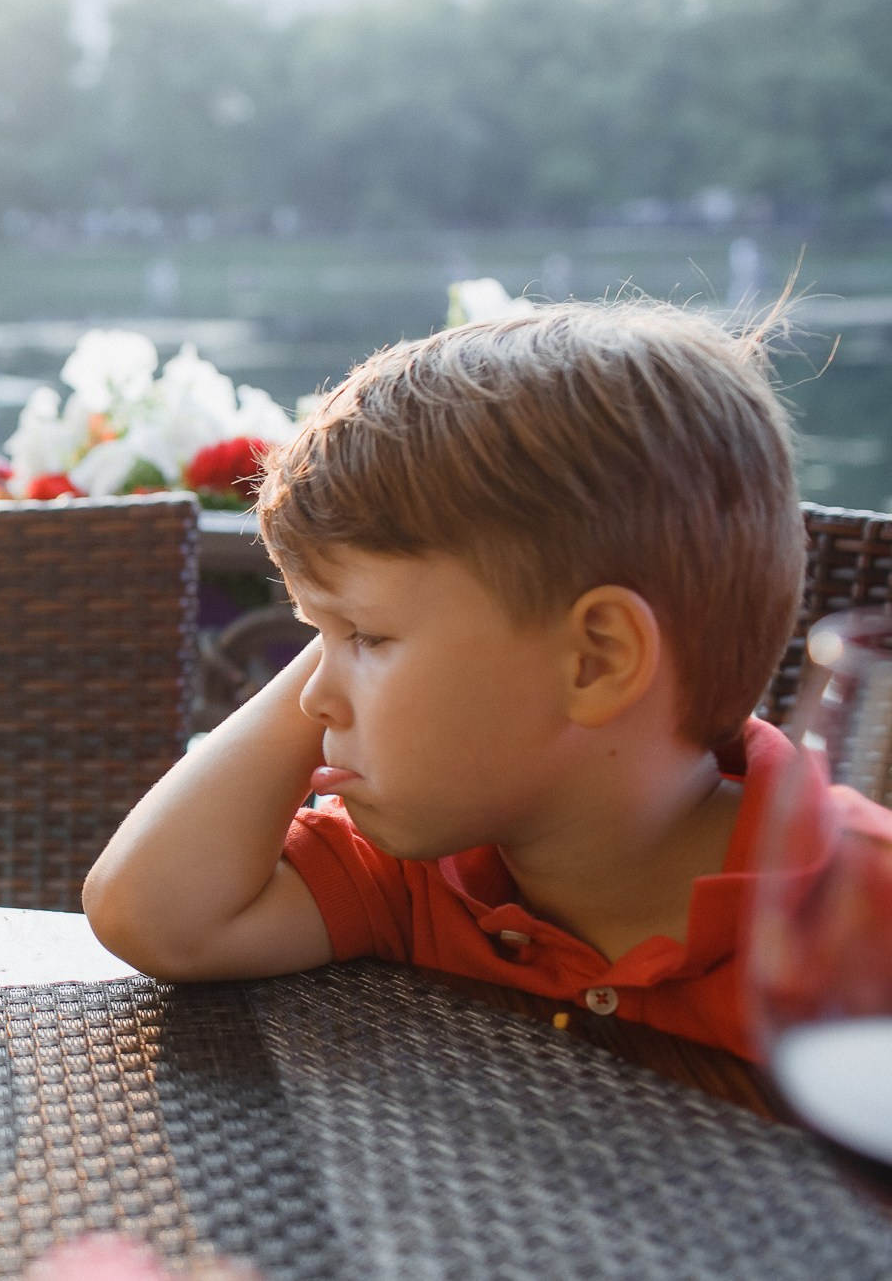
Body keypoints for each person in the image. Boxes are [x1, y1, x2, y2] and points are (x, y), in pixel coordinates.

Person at [81, 299, 874, 1061]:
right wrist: (348, 625)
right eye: (314, 638)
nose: (314, 696)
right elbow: (148, 913)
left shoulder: (863, 917)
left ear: (594, 661)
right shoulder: (428, 875)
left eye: (368, 635)